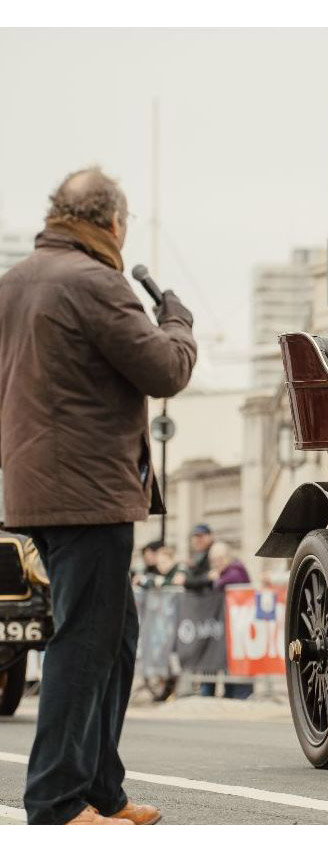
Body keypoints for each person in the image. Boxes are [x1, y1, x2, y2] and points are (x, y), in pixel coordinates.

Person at [0, 167, 197, 825]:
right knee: (84, 642)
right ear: (113, 223)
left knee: (113, 638)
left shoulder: (18, 280)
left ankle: (101, 791)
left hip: (39, 486)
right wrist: (177, 322)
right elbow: (163, 368)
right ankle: (55, 801)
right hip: (87, 492)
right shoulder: (94, 283)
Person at [197, 542, 252, 700]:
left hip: (238, 628)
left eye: (220, 558)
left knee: (234, 664)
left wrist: (215, 580)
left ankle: (239, 695)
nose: (217, 563)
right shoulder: (223, 571)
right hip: (225, 628)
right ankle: (228, 694)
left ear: (228, 557)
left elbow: (222, 584)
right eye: (214, 560)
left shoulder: (235, 570)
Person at [183, 522, 214, 590]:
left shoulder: (214, 553)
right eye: (195, 537)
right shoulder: (197, 556)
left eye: (201, 536)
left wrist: (186, 581)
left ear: (210, 537)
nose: (198, 540)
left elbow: (211, 577)